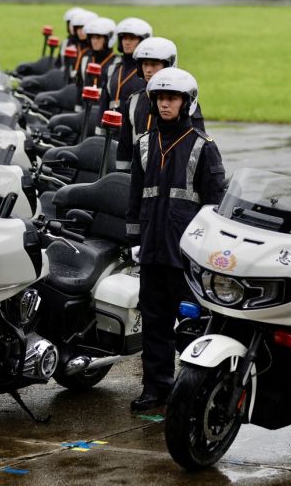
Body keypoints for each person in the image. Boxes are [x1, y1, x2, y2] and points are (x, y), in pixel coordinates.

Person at [125, 68, 226, 411]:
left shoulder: (204, 147)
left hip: (186, 253)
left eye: (172, 98)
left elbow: (215, 204)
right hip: (152, 249)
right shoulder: (143, 143)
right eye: (160, 98)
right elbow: (135, 196)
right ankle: (156, 387)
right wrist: (134, 240)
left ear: (186, 103)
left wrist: (206, 251)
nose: (165, 104)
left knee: (192, 324)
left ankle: (196, 387)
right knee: (154, 321)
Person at [116, 37, 205, 172]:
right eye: (145, 64)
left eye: (154, 64)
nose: (148, 70)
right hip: (138, 178)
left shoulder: (185, 103)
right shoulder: (133, 101)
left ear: (169, 64)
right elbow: (124, 150)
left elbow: (198, 149)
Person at [98, 17, 152, 115]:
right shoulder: (112, 69)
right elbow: (103, 104)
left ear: (143, 41)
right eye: (124, 38)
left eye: (132, 38)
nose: (127, 42)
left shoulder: (148, 72)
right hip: (110, 125)